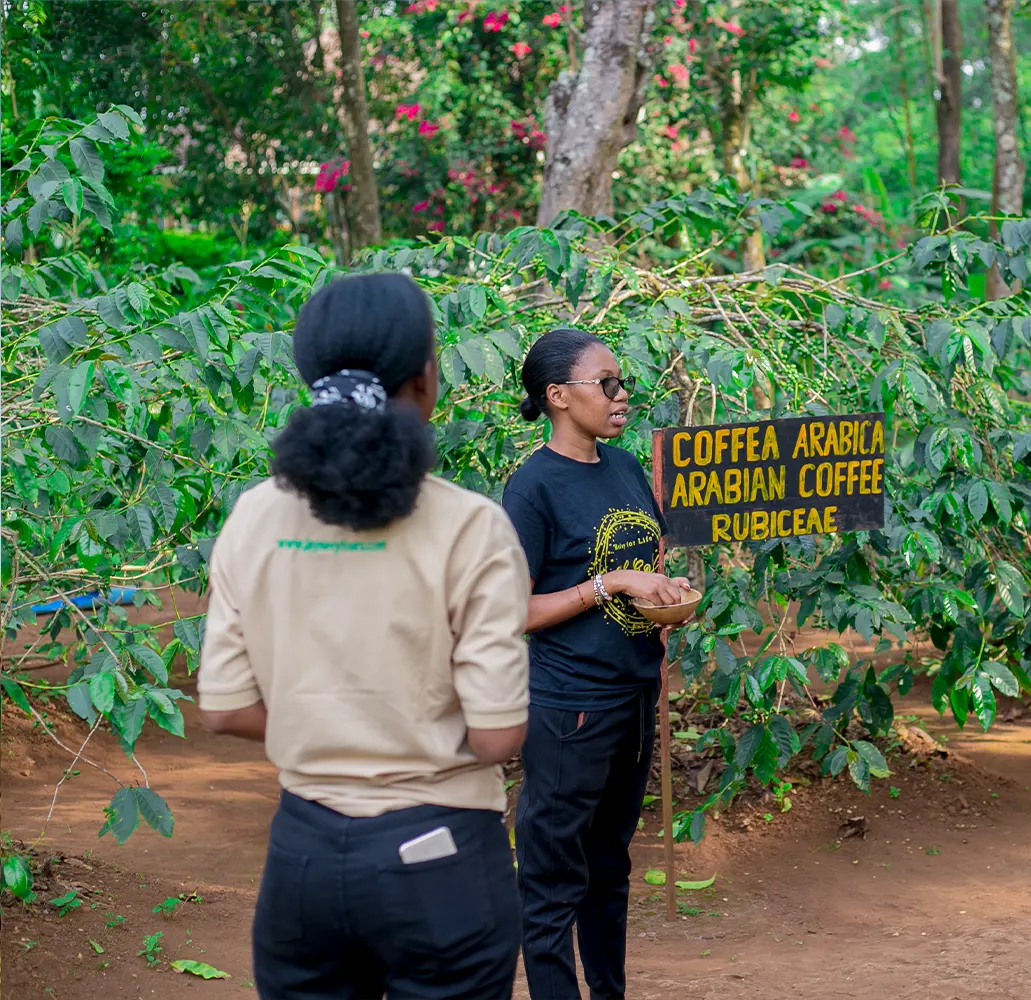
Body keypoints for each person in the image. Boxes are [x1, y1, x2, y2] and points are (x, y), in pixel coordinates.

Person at [197, 272, 532, 998]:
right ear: (425, 378)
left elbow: (222, 708)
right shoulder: (470, 527)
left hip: (304, 865)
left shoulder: (255, 517)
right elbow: (500, 738)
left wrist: (328, 724)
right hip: (443, 866)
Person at [503, 327, 689, 1000]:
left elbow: (650, 562)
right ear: (558, 397)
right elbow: (514, 611)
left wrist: (668, 601)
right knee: (555, 879)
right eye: (605, 384)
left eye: (622, 382)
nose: (621, 395)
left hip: (634, 699)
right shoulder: (532, 488)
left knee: (610, 867)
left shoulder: (626, 466)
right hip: (569, 709)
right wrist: (611, 585)